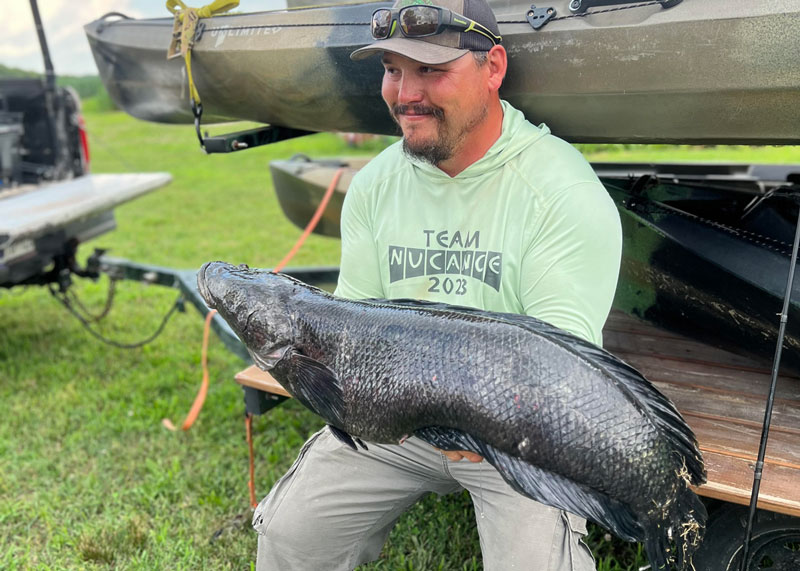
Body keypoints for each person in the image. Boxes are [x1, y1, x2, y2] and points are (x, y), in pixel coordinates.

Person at [252, 0, 622, 568]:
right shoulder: (376, 185)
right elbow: (351, 334)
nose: (405, 94)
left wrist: (482, 430)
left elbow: (559, 376)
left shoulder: (560, 192)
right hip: (393, 426)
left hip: (514, 442)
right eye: (393, 70)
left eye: (431, 70)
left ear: (492, 68)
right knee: (289, 537)